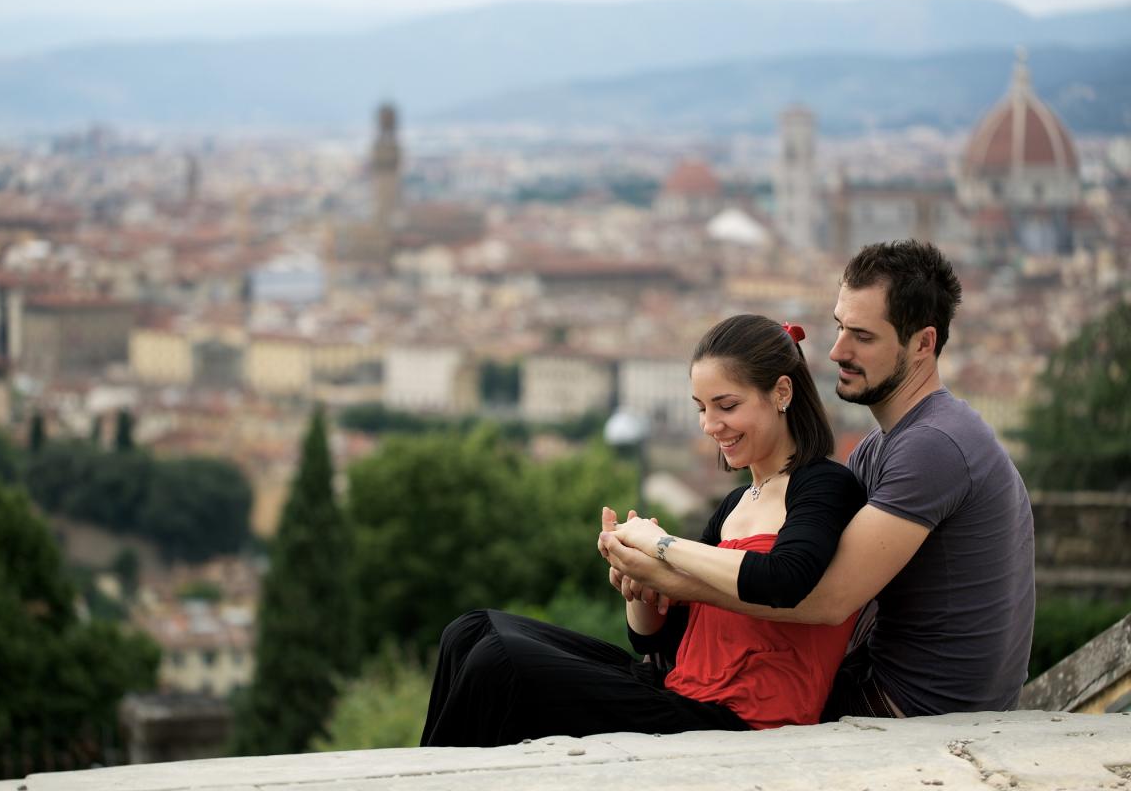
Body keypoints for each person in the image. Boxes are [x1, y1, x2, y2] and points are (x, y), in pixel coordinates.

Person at [604, 239, 1035, 720]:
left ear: (922, 344)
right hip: (900, 689)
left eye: (863, 337)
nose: (835, 351)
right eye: (839, 328)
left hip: (911, 708)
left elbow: (825, 600)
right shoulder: (884, 447)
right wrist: (652, 584)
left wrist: (671, 569)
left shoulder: (934, 444)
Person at [420, 315, 865, 747]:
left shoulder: (823, 484)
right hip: (681, 688)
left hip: (743, 719)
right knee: (471, 630)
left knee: (501, 664)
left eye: (727, 406)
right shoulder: (734, 503)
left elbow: (786, 578)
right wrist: (640, 580)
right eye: (702, 408)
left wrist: (664, 546)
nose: (710, 425)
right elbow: (656, 639)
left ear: (781, 392)